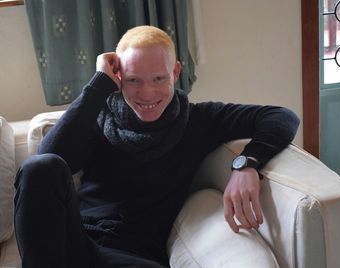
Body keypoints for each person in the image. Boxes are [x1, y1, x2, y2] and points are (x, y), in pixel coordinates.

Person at [14, 25, 299, 268]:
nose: (147, 93)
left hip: (131, 256)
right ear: (118, 78)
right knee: (40, 167)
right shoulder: (98, 116)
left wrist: (246, 163)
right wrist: (98, 84)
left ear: (175, 72)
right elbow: (48, 162)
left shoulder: (200, 120)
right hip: (73, 244)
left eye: (159, 79)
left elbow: (281, 117)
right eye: (133, 80)